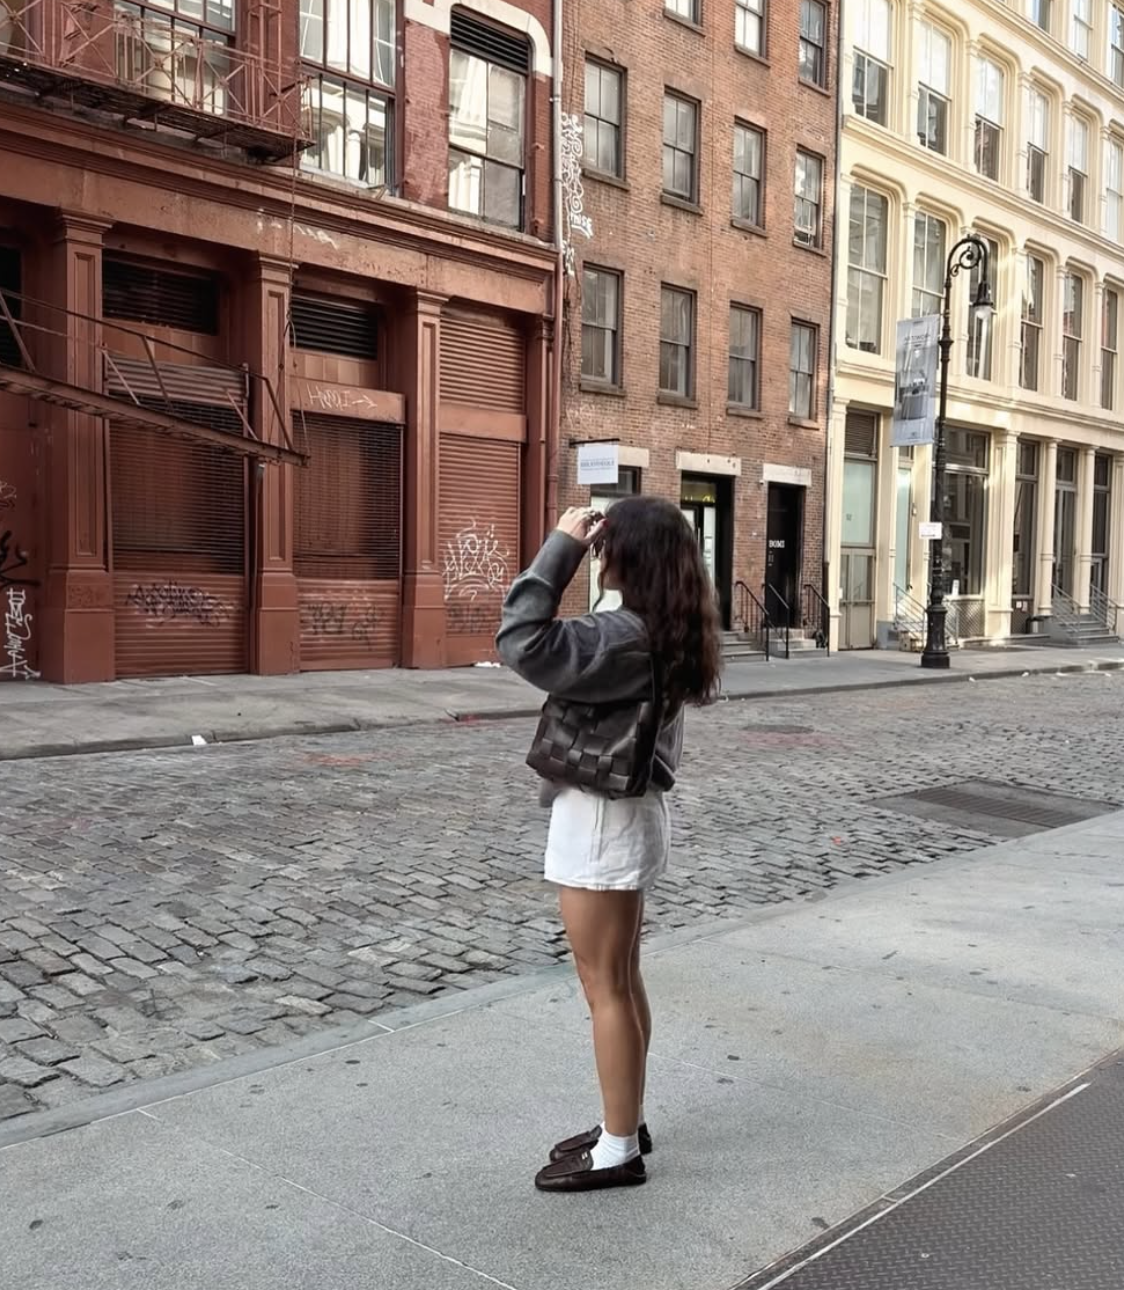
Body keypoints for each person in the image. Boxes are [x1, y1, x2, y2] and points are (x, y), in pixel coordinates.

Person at [496, 499, 722, 1193]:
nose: (599, 556)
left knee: (604, 986)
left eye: (606, 546)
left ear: (633, 556)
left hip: (600, 819)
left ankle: (619, 1149)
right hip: (630, 813)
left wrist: (559, 547)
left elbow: (521, 640)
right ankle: (626, 1121)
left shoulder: (622, 635)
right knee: (620, 978)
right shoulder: (667, 627)